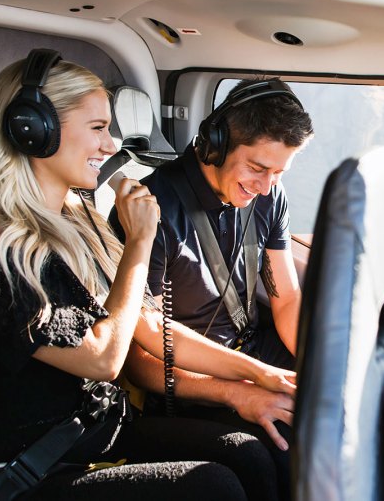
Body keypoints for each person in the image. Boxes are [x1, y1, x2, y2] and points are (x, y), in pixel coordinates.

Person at [0, 50, 295, 500]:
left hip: (102, 429)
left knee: (247, 453)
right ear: (34, 131)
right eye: (98, 129)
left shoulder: (77, 219)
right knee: (210, 486)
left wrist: (258, 375)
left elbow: (148, 325)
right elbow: (103, 358)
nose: (110, 146)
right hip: (37, 464)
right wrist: (140, 243)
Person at [109, 78, 313, 499]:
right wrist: (238, 390)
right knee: (287, 454)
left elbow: (287, 299)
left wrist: (320, 360)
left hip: (256, 353)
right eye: (257, 168)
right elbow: (141, 359)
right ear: (215, 144)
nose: (266, 186)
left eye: (278, 172)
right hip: (194, 381)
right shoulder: (150, 210)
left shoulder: (269, 196)